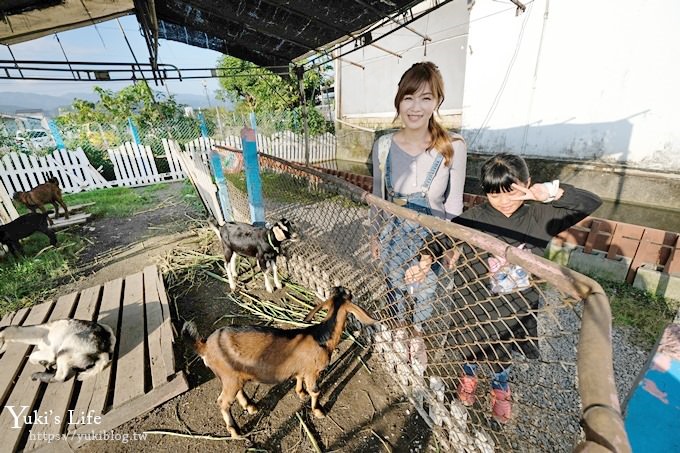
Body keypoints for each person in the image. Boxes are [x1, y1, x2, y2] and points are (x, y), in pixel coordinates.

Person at [404, 153, 602, 424]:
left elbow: (591, 202)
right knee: (469, 343)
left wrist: (548, 192)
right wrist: (425, 263)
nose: (504, 201)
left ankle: (499, 386)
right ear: (486, 193)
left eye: (512, 192)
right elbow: (439, 239)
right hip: (473, 298)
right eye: (495, 195)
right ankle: (469, 375)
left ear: (527, 183)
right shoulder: (475, 217)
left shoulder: (542, 215)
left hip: (516, 303)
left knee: (505, 345)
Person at [370, 61, 467, 334]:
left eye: (426, 98)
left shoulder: (453, 146)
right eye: (409, 97)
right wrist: (374, 234)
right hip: (394, 232)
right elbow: (379, 196)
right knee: (395, 286)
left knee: (425, 292)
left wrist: (451, 243)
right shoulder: (384, 145)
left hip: (432, 238)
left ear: (437, 101)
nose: (415, 107)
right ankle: (400, 327)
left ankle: (419, 334)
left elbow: (453, 203)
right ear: (399, 101)